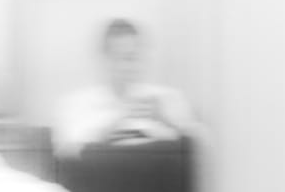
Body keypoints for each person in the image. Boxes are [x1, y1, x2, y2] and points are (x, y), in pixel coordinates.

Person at [52, 19, 204, 159]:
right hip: (98, 182)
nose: (129, 67)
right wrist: (113, 125)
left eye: (134, 57)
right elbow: (64, 154)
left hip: (159, 181)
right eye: (120, 58)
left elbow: (205, 147)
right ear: (104, 59)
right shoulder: (76, 104)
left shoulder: (167, 99)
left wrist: (165, 120)